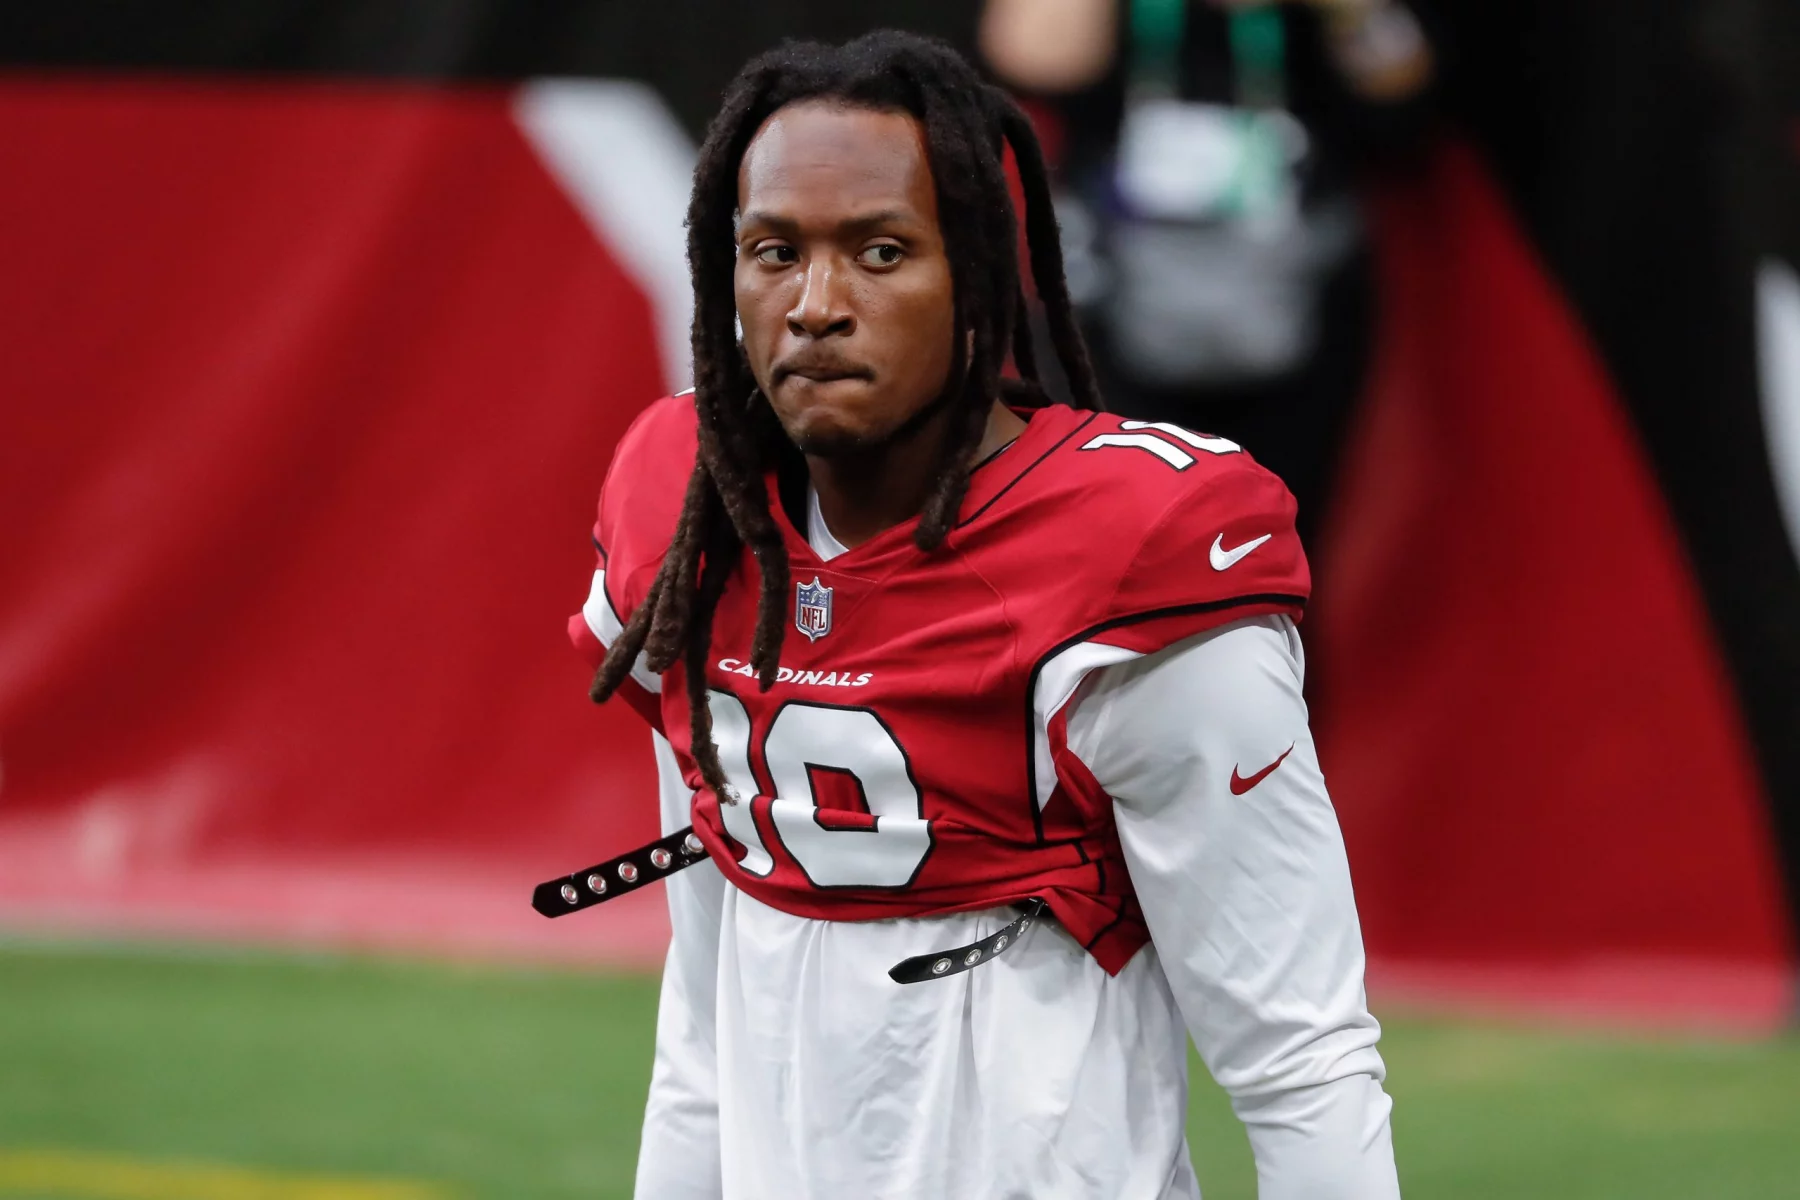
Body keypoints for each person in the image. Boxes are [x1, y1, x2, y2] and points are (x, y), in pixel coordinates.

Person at [565, 30, 1397, 1200]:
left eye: (881, 251)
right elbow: (703, 1021)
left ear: (978, 278)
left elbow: (1299, 1059)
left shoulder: (1130, 554)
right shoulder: (688, 513)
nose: (816, 306)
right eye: (774, 252)